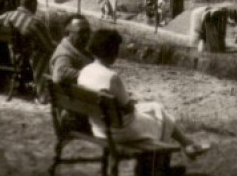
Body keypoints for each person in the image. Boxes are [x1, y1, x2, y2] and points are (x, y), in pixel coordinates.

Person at [77, 29, 210, 160]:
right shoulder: (112, 77)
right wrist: (131, 103)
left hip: (99, 128)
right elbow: (129, 108)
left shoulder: (85, 71)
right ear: (112, 51)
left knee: (155, 107)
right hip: (122, 131)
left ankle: (186, 145)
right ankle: (162, 160)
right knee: (161, 116)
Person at [48, 15, 93, 87]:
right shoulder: (64, 54)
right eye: (81, 32)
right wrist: (92, 76)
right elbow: (60, 73)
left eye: (88, 31)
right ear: (68, 33)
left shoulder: (75, 49)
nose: (86, 35)